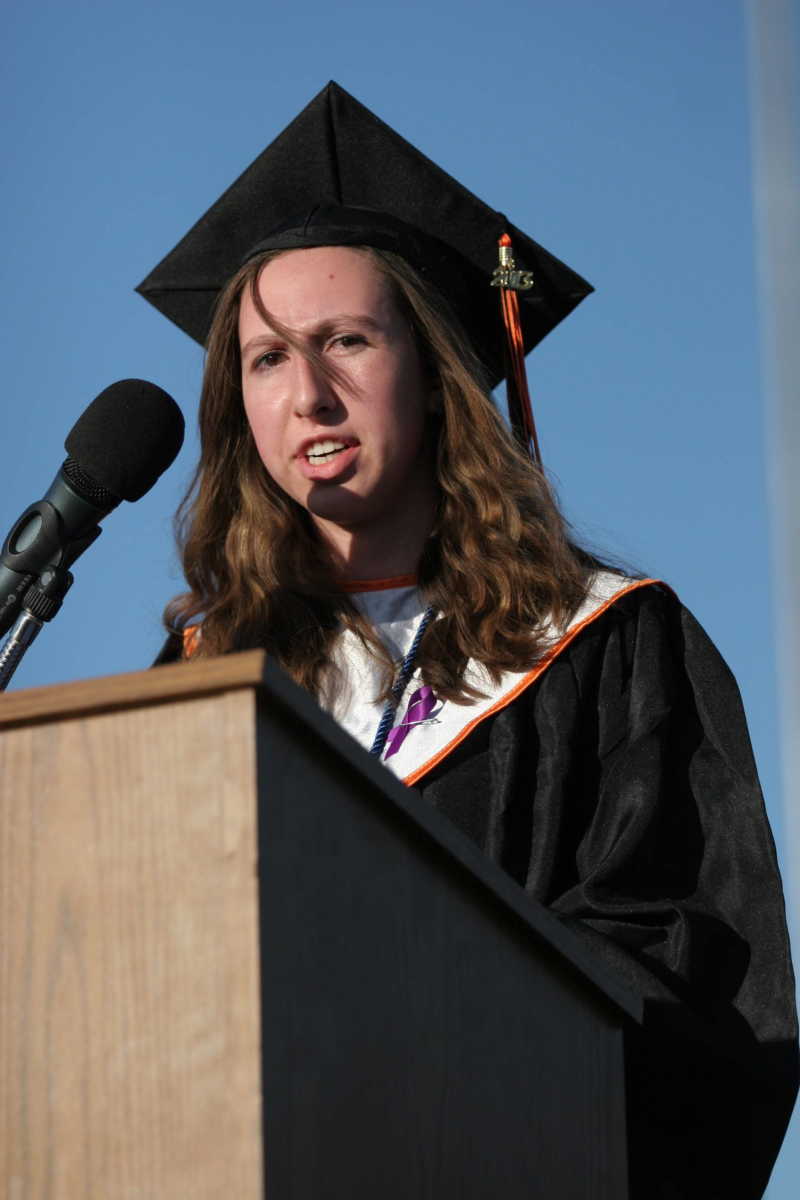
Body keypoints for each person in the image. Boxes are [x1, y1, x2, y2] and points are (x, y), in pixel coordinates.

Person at [142, 83, 798, 1198]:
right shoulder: (204, 677)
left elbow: (694, 990)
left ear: (435, 372)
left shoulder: (601, 647)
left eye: (346, 341)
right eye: (266, 358)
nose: (309, 395)